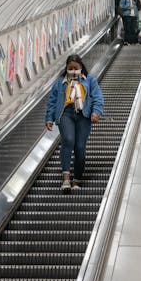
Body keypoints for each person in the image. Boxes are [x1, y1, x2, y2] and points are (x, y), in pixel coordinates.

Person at [45, 54, 104, 191]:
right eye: (70, 68)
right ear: (66, 69)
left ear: (81, 67)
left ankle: (77, 180)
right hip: (66, 113)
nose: (73, 71)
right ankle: (66, 179)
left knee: (80, 147)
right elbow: (52, 101)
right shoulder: (60, 82)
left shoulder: (90, 81)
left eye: (75, 68)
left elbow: (97, 97)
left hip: (84, 115)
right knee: (68, 139)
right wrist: (49, 118)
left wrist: (96, 112)